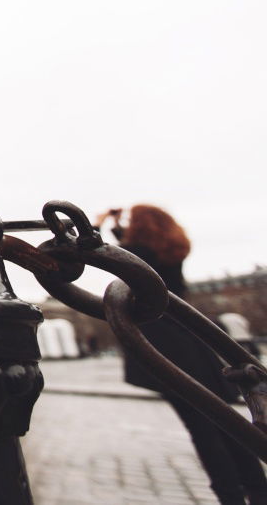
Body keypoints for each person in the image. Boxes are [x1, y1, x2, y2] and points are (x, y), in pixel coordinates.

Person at [97, 205, 267, 505]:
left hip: (164, 344)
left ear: (141, 226)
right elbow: (129, 247)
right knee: (227, 421)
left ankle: (229, 496)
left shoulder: (136, 252)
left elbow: (102, 253)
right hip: (193, 341)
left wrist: (100, 224)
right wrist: (117, 225)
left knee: (200, 426)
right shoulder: (171, 250)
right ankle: (258, 488)